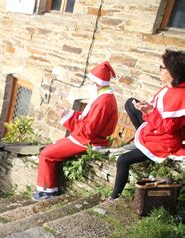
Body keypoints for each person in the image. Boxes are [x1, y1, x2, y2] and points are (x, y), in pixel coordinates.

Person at [33, 61, 119, 200]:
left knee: (47, 153)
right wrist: (71, 113)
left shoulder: (104, 102)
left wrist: (68, 118)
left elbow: (89, 130)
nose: (88, 84)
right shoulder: (103, 97)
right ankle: (47, 189)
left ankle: (48, 192)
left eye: (91, 82)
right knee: (52, 147)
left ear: (97, 84)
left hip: (89, 141)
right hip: (85, 138)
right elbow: (88, 121)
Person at [109, 50, 185, 200]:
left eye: (162, 68)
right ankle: (141, 142)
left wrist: (149, 111)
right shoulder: (170, 87)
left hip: (164, 141)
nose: (160, 70)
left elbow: (169, 128)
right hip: (156, 130)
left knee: (122, 160)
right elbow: (160, 109)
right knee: (131, 103)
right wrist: (146, 107)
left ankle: (113, 198)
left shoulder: (180, 95)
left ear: (173, 72)